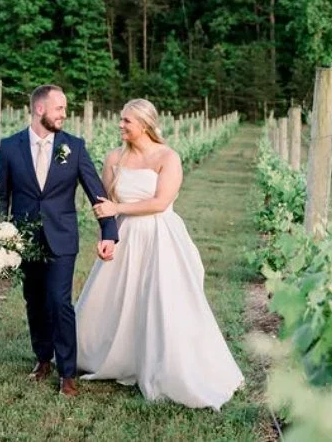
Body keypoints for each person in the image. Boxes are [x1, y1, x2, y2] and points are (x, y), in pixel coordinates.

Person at [75, 98, 244, 410]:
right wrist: (106, 236)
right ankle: (110, 355)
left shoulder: (168, 157)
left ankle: (169, 365)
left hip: (159, 235)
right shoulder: (114, 157)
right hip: (125, 236)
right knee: (115, 298)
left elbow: (160, 202)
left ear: (144, 124)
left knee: (162, 299)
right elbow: (105, 205)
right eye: (121, 119)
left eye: (126, 121)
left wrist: (118, 208)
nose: (120, 125)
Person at [0, 84, 118, 397]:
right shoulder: (9, 147)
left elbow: (94, 189)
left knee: (60, 302)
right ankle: (42, 358)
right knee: (34, 300)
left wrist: (109, 231)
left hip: (62, 236)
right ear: (39, 109)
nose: (64, 114)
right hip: (24, 240)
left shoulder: (73, 146)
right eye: (59, 108)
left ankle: (68, 373)